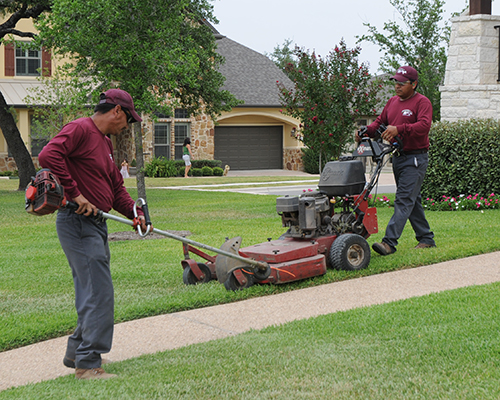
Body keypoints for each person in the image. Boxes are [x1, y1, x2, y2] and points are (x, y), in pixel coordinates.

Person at [38, 88, 147, 380]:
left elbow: (115, 187)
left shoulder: (104, 142)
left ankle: (76, 352)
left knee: (91, 291)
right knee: (99, 293)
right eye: (128, 119)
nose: (127, 125)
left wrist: (134, 214)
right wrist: (76, 194)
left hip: (96, 224)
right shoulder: (81, 128)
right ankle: (88, 365)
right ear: (117, 111)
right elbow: (48, 155)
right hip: (77, 222)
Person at [356, 66, 436, 256]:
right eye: (396, 82)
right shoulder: (392, 102)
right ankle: (426, 238)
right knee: (412, 199)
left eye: (402, 83)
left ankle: (389, 243)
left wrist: (399, 129)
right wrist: (365, 131)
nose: (397, 86)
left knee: (403, 199)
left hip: (415, 157)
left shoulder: (422, 102)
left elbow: (424, 126)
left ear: (414, 84)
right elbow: (379, 124)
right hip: (398, 158)